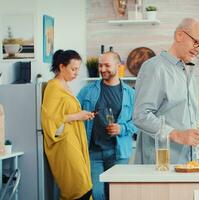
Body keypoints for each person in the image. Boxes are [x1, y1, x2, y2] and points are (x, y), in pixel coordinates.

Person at [134, 18, 199, 164]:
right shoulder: (155, 67)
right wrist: (177, 135)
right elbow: (140, 115)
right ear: (179, 35)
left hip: (186, 162)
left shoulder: (187, 71)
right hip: (161, 164)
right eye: (196, 42)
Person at [77, 51, 137, 200]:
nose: (102, 69)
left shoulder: (130, 94)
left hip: (118, 153)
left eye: (107, 65)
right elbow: (74, 111)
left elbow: (139, 121)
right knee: (97, 194)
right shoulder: (88, 91)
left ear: (118, 66)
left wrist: (122, 128)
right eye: (100, 65)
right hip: (93, 153)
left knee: (116, 194)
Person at [41, 50, 93, 200]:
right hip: (65, 144)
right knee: (78, 187)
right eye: (73, 69)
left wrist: (82, 115)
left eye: (78, 69)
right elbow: (49, 118)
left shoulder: (66, 87)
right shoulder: (53, 87)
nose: (76, 73)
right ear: (62, 67)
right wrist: (78, 115)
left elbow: (66, 113)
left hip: (75, 140)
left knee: (84, 185)